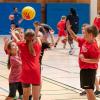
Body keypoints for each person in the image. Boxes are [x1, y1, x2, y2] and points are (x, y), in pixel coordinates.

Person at [67, 23, 99, 100]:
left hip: (89, 70)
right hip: (84, 69)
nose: (83, 35)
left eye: (85, 33)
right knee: (88, 90)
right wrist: (69, 30)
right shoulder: (85, 41)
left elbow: (96, 60)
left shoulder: (94, 46)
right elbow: (75, 37)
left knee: (89, 90)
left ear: (91, 35)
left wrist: (85, 60)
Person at [11, 28, 41, 100]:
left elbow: (16, 38)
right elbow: (38, 38)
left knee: (25, 97)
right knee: (36, 98)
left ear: (25, 36)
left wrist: (13, 32)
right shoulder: (38, 45)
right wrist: (36, 31)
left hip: (26, 72)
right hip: (36, 72)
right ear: (33, 37)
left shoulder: (21, 45)